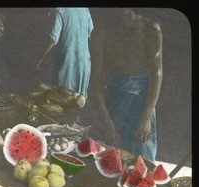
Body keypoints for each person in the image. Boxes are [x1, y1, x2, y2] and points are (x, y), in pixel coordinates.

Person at [92, 9, 163, 162]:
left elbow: (157, 75)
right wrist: (106, 120)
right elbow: (96, 80)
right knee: (110, 162)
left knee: (143, 164)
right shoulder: (102, 31)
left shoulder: (150, 28)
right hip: (114, 104)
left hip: (143, 104)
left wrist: (146, 117)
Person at [36, 8, 94, 99]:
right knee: (78, 103)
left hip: (67, 65)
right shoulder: (85, 10)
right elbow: (90, 34)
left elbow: (53, 40)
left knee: (61, 104)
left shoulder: (60, 11)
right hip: (84, 65)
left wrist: (40, 59)